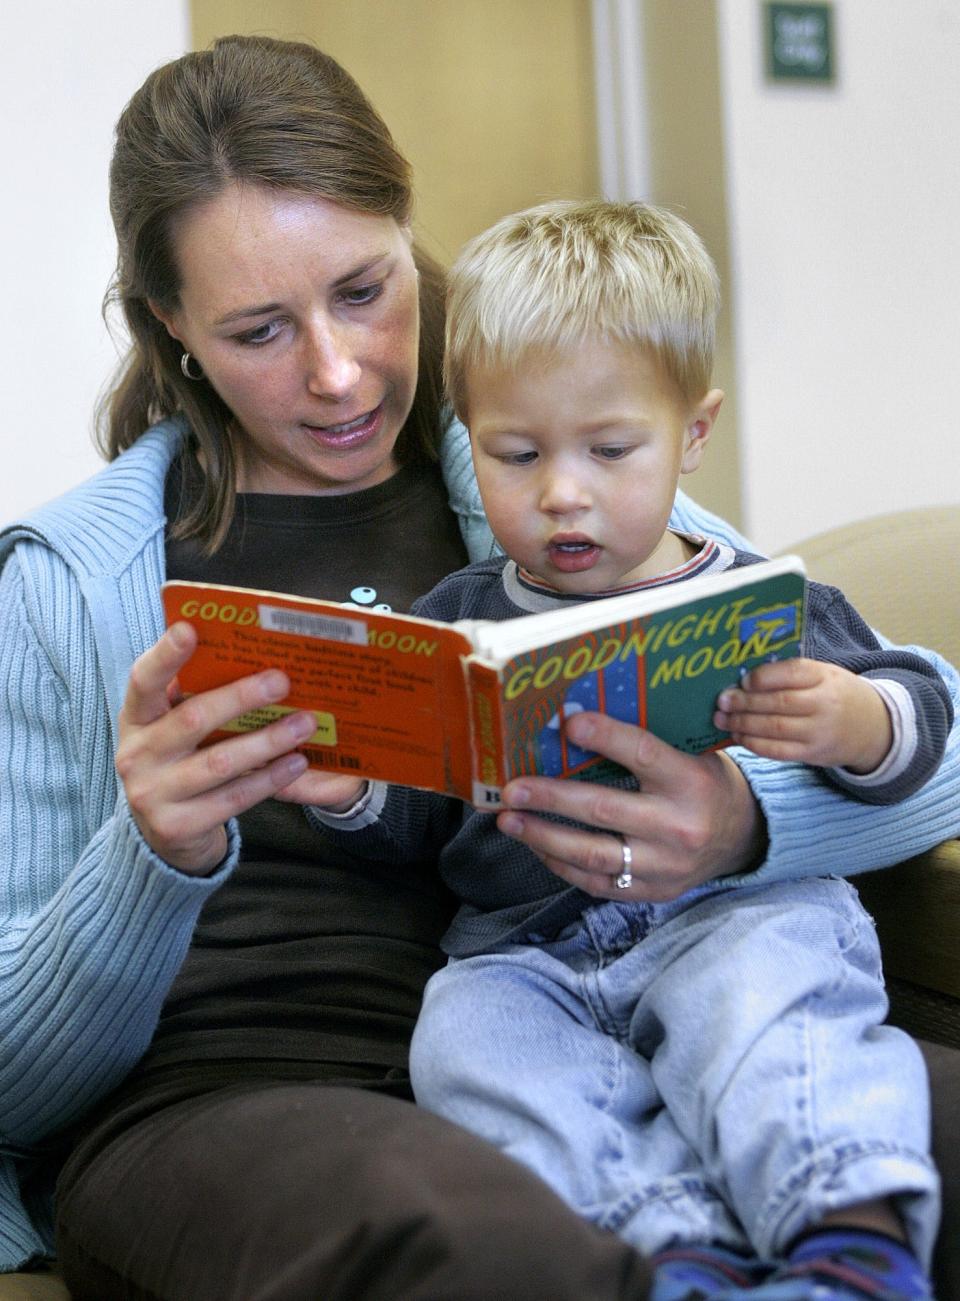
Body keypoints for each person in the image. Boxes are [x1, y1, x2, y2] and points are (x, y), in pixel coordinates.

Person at [0, 34, 958, 1301]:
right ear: (172, 325)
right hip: (243, 1088)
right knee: (490, 1250)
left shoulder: (538, 477)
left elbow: (903, 728)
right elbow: (17, 1075)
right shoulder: (67, 581)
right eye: (259, 329)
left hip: (611, 1021)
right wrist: (149, 853)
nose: (337, 372)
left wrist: (738, 821)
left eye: (361, 290)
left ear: (410, 236)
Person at [305, 200, 948, 1301]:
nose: (564, 490)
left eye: (611, 449)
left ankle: (849, 1232)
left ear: (693, 434)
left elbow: (921, 701)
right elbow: (418, 812)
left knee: (776, 983)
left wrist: (858, 721)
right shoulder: (458, 615)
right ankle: (671, 1246)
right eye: (516, 453)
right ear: (467, 434)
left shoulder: (756, 594)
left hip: (722, 915)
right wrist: (354, 787)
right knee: (460, 1034)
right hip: (528, 956)